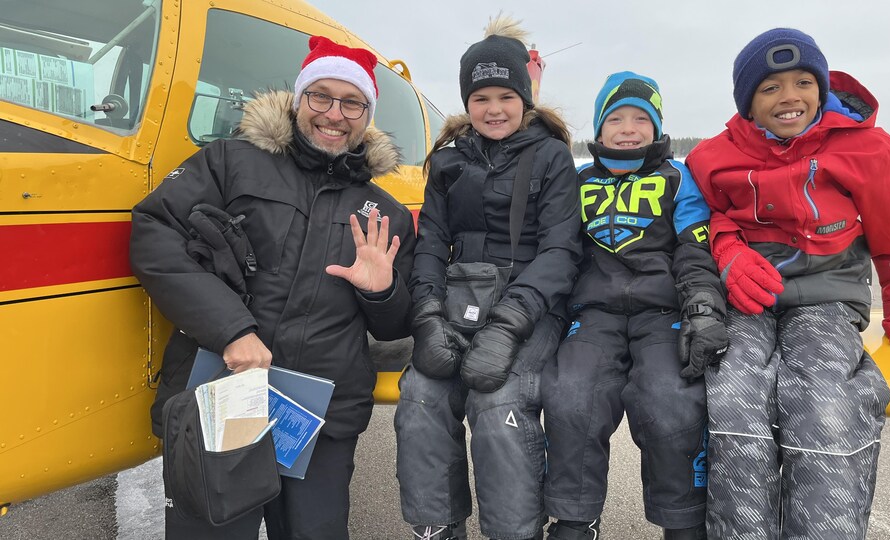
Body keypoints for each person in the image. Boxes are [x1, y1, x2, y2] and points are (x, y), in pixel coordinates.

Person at [129, 35, 416, 539]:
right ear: (298, 99)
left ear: (367, 115)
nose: (334, 113)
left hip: (317, 416)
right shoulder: (229, 162)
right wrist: (230, 329)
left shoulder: (385, 212)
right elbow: (155, 233)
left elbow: (394, 326)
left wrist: (381, 292)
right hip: (224, 394)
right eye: (320, 96)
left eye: (352, 103)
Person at [685, 28, 890, 539]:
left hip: (827, 299)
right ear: (746, 101)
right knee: (733, 389)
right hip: (748, 299)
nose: (790, 97)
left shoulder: (868, 150)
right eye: (770, 88)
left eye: (804, 82)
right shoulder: (711, 157)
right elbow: (703, 220)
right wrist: (729, 252)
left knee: (825, 399)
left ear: (822, 89)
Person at [393, 15, 581, 540]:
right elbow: (429, 241)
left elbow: (561, 249)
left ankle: (515, 531)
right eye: (481, 98)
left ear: (525, 97)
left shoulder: (551, 157)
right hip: (459, 297)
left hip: (528, 305)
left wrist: (509, 324)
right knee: (422, 397)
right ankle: (436, 526)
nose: (494, 109)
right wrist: (427, 313)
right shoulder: (448, 162)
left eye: (505, 96)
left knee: (499, 403)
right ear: (466, 102)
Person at [540, 72, 727, 540]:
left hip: (661, 315)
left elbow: (694, 250)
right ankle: (575, 516)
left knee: (673, 400)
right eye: (616, 118)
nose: (628, 127)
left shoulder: (678, 178)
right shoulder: (578, 181)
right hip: (594, 315)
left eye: (641, 118)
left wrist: (702, 307)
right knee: (570, 396)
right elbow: (560, 251)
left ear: (658, 126)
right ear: (599, 130)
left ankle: (683, 518)